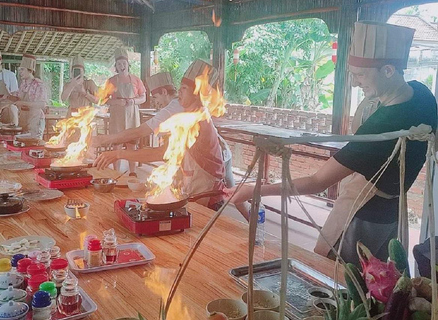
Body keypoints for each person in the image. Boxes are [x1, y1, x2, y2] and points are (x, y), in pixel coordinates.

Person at [227, 21, 438, 265]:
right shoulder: (422, 94)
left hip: (362, 214)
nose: (355, 83)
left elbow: (317, 182)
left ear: (388, 70)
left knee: (333, 272)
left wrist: (256, 190)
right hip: (392, 213)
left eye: (360, 75)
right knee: (380, 280)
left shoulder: (381, 126)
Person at [94, 59, 225, 210]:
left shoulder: (197, 120)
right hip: (195, 190)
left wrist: (118, 153)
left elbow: (162, 153)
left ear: (197, 95)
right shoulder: (188, 115)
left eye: (183, 88)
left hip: (208, 197)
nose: (179, 92)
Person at [102, 48, 146, 177]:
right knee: (117, 146)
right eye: (119, 64)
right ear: (116, 66)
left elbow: (144, 97)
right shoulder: (111, 81)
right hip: (117, 117)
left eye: (124, 63)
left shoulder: (136, 80)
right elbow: (103, 99)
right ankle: (116, 172)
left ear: (128, 65)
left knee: (132, 145)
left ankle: (133, 172)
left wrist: (133, 101)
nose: (122, 66)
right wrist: (116, 102)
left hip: (132, 114)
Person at [3, 54, 47, 139]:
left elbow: (42, 105)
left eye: (22, 69)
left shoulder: (39, 84)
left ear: (30, 70)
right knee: (23, 143)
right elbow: (19, 98)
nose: (20, 72)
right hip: (23, 118)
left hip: (35, 119)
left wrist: (23, 103)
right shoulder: (23, 84)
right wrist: (9, 97)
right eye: (19, 70)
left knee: (34, 144)